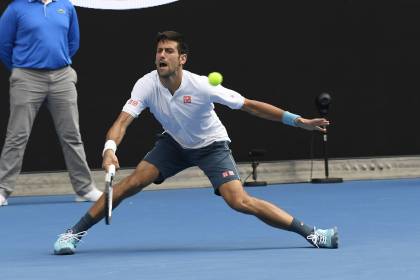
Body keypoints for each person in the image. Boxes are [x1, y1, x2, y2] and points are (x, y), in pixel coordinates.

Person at [53, 30, 339, 255]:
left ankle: (313, 233)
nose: (161, 56)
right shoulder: (146, 84)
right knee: (130, 183)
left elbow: (250, 105)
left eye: (169, 51)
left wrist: (297, 120)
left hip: (211, 146)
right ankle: (73, 233)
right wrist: (109, 150)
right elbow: (122, 122)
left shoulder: (203, 85)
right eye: (159, 51)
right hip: (174, 144)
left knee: (239, 201)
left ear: (182, 59)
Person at [0, 0, 102, 206]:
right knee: (17, 136)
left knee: (72, 135)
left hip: (62, 76)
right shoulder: (16, 8)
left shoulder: (65, 6)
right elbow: (3, 45)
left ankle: (85, 189)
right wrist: (21, 70)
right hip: (27, 77)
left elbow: (73, 42)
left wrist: (56, 62)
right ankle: (2, 190)